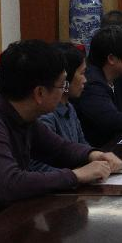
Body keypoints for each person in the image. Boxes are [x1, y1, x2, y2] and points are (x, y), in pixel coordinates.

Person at [0, 40, 122, 243]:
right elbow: (11, 184)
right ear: (39, 93)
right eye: (62, 85)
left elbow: (58, 148)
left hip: (3, 228)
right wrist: (76, 175)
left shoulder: (20, 115)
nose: (64, 91)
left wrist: (93, 155)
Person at [30, 43, 90, 172]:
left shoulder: (69, 107)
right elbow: (36, 166)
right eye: (82, 73)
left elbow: (82, 146)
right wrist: (76, 175)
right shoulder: (45, 115)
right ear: (64, 80)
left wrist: (97, 157)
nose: (85, 80)